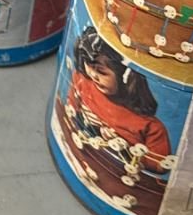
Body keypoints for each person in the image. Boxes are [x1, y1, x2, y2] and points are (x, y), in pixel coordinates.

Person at [63, 25, 171, 162]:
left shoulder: (150, 126)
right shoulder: (82, 81)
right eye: (89, 66)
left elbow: (159, 165)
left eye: (101, 71)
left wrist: (123, 147)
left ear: (126, 77)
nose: (93, 75)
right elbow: (70, 110)